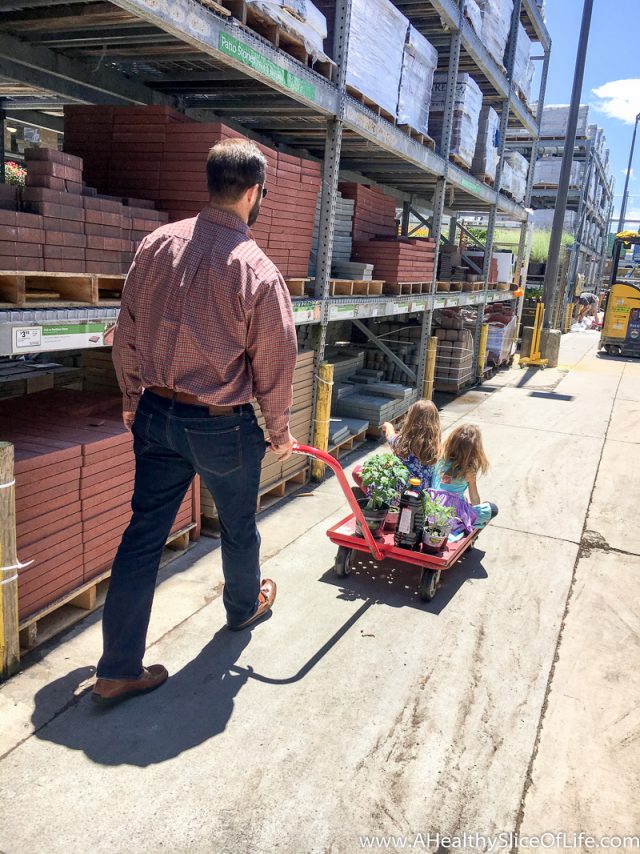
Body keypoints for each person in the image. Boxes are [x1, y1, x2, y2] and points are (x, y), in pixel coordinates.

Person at [92, 138, 298, 707]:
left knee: (142, 538)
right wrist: (279, 431)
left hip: (157, 414)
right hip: (221, 426)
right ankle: (241, 608)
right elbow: (275, 360)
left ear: (210, 184)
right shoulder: (256, 270)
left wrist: (133, 396)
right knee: (236, 526)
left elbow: (126, 328)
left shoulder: (157, 245)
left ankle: (116, 668)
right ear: (253, 193)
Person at [353, 400, 441, 494]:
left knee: (356, 471)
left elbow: (390, 436)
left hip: (398, 492)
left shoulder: (401, 442)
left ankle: (373, 496)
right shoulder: (437, 449)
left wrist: (388, 426)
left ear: (411, 420)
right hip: (422, 496)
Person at [432, 424, 498, 530]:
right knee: (492, 508)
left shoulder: (440, 460)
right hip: (453, 515)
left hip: (433, 506)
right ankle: (468, 525)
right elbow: (475, 500)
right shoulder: (468, 471)